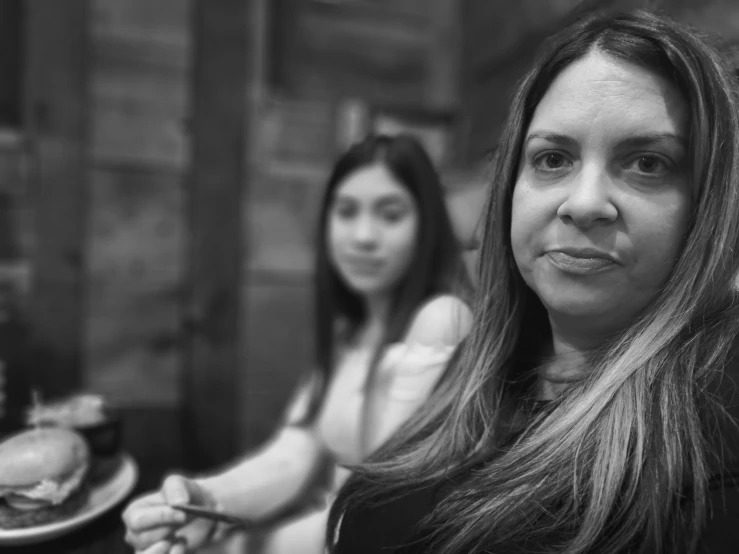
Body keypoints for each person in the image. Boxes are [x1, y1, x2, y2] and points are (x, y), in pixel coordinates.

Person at [328, 10, 739, 554]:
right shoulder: (474, 369)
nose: (585, 203)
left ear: (709, 206)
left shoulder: (716, 433)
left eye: (648, 163)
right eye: (552, 158)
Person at [122, 133, 473, 554]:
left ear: (426, 226)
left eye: (390, 214)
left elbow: (377, 508)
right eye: (346, 212)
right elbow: (297, 450)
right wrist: (206, 499)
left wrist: (233, 549)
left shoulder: (440, 321)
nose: (363, 235)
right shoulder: (352, 330)